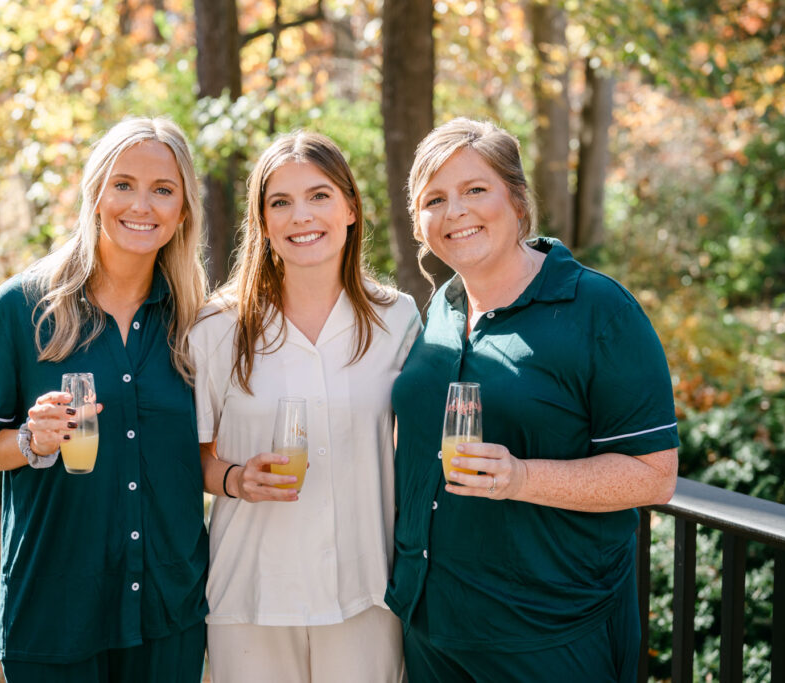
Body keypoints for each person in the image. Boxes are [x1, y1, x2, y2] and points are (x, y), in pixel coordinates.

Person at [386, 117, 679, 682]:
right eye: (435, 199)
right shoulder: (439, 311)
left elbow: (652, 476)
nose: (456, 212)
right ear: (421, 225)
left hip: (549, 637)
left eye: (475, 189)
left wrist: (521, 477)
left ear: (517, 201)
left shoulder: (601, 311)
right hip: (431, 628)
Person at [0, 117, 209, 682]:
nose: (141, 204)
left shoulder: (199, 321)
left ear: (183, 210)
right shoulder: (20, 309)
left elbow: (207, 450)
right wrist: (30, 439)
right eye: (123, 184)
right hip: (56, 611)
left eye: (163, 190)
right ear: (95, 193)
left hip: (167, 611)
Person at [190, 131, 421, 683]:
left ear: (349, 207)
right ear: (264, 223)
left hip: (365, 594)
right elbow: (192, 457)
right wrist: (237, 478)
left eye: (319, 196)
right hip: (251, 597)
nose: (302, 216)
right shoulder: (218, 327)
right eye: (281, 202)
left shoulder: (399, 320)